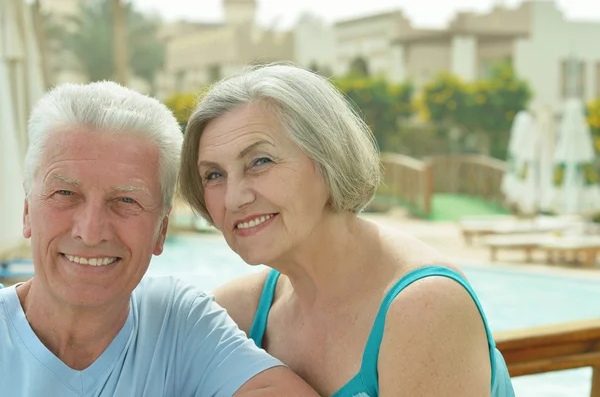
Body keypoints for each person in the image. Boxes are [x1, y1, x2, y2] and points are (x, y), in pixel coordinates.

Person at [178, 64, 515, 397]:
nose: (234, 198)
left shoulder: (426, 307)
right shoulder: (239, 311)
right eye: (214, 175)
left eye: (260, 161)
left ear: (328, 158)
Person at [0, 81, 319, 397]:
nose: (92, 231)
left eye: (126, 201)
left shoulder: (177, 324)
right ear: (28, 211)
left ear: (161, 230)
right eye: (65, 193)